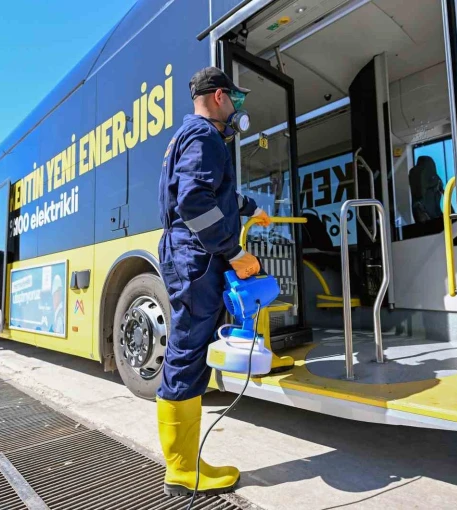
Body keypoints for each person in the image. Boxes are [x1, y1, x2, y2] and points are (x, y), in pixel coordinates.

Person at [156, 67, 271, 497]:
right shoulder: (205, 137)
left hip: (190, 251)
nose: (238, 108)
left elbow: (215, 193)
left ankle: (182, 462)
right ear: (219, 96)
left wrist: (251, 206)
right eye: (235, 100)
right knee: (187, 350)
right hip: (197, 255)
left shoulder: (188, 136)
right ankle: (182, 468)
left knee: (189, 346)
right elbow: (194, 202)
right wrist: (234, 252)